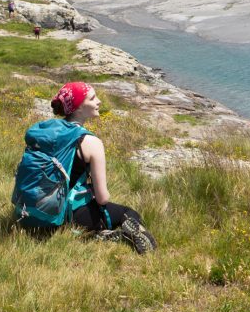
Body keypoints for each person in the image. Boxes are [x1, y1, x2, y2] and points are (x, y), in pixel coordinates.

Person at [15, 82, 156, 253]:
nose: (99, 101)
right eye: (92, 98)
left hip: (29, 212)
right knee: (127, 212)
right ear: (79, 108)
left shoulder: (47, 133)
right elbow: (102, 198)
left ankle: (93, 234)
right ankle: (97, 233)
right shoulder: (91, 142)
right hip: (70, 215)